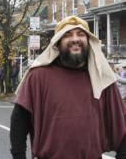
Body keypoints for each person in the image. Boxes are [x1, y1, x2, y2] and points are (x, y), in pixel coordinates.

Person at [10, 16, 126, 159]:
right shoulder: (38, 77)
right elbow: (19, 121)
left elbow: (122, 123)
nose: (75, 39)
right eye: (67, 35)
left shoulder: (102, 77)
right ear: (57, 43)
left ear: (88, 42)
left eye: (81, 34)